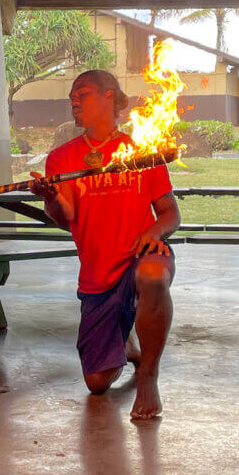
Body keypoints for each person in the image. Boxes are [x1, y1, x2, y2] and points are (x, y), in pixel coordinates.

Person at [31, 70, 181, 420]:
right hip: (98, 274)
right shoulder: (62, 159)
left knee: (153, 276)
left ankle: (148, 376)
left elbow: (171, 214)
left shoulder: (141, 151)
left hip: (141, 254)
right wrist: (50, 197)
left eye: (82, 93)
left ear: (110, 97)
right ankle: (126, 347)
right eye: (72, 95)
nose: (74, 100)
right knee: (97, 383)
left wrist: (154, 233)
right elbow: (63, 215)